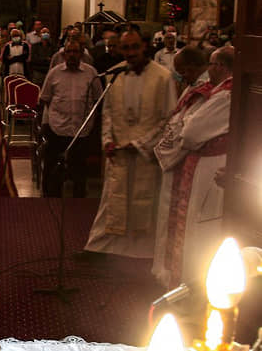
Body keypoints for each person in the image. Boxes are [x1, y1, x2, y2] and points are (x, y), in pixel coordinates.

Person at [81, 30, 177, 259]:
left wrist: (140, 144)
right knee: (114, 199)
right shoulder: (115, 74)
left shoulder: (163, 77)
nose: (131, 53)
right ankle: (101, 247)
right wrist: (107, 141)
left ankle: (142, 252)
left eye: (135, 47)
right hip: (119, 151)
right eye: (126, 48)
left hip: (147, 153)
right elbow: (109, 113)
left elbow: (170, 118)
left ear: (144, 46)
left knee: (145, 200)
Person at [155, 47, 234, 287]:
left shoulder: (227, 94)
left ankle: (192, 281)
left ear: (220, 66)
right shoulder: (216, 91)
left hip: (211, 167)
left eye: (210, 64)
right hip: (205, 164)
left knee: (199, 229)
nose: (207, 70)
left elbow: (190, 134)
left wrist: (187, 129)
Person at [152, 46, 212, 286]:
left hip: (186, 161)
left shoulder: (206, 91)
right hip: (176, 156)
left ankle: (176, 275)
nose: (179, 76)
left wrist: (167, 151)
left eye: (181, 71)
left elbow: (190, 131)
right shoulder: (192, 86)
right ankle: (165, 270)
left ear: (191, 68)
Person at [38, 39, 102, 198]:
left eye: (75, 52)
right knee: (53, 171)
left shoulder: (91, 73)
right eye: (69, 52)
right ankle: (50, 202)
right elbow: (44, 98)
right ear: (64, 54)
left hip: (82, 129)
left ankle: (78, 206)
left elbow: (98, 99)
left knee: (79, 172)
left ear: (81, 54)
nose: (72, 55)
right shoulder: (54, 73)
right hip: (58, 128)